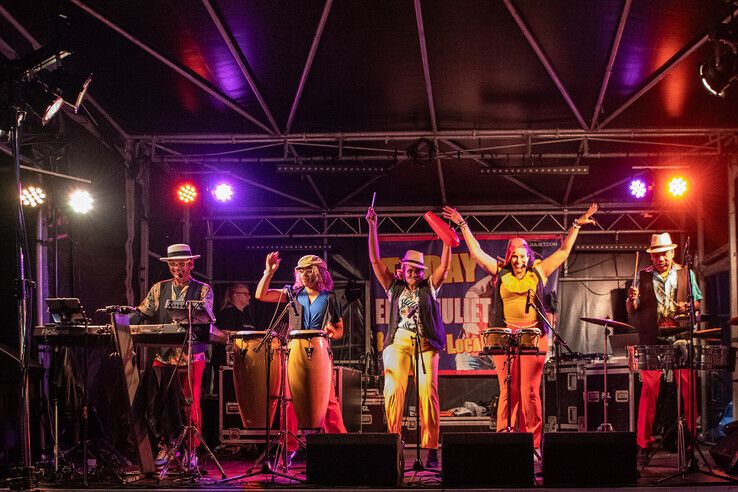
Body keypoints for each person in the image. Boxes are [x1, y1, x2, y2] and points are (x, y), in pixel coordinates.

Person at [443, 203, 597, 451]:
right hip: (506, 338)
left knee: (529, 392)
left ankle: (533, 443)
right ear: (509, 256)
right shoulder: (500, 273)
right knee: (508, 390)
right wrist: (462, 225)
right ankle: (506, 439)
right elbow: (476, 252)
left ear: (529, 255)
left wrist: (577, 225)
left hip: (534, 338)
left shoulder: (539, 272)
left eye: (522, 255)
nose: (518, 260)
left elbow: (564, 251)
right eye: (514, 255)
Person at [366, 207, 452, 469]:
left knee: (428, 393)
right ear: (402, 269)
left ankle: (431, 446)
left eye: (418, 270)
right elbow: (375, 262)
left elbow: (446, 265)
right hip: (399, 342)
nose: (414, 273)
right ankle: (395, 441)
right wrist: (372, 227)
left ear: (424, 271)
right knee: (393, 389)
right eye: (410, 269)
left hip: (426, 345)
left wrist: (448, 241)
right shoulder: (395, 286)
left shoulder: (430, 287)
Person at [130, 243, 214, 470]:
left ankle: (190, 449)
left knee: (189, 401)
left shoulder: (203, 289)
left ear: (191, 264)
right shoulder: (159, 288)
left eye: (182, 264)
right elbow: (142, 313)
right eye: (173, 264)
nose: (178, 268)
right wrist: (121, 322)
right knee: (160, 400)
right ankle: (166, 444)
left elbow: (206, 317)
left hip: (191, 355)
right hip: (164, 354)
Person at [255, 253, 347, 458]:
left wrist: (333, 332)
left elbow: (340, 330)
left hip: (321, 351)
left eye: (309, 271)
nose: (305, 275)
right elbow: (261, 295)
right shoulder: (292, 294)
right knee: (289, 399)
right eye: (301, 271)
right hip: (295, 349)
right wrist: (268, 272)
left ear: (320, 273)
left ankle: (341, 445)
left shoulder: (331, 298)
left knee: (329, 401)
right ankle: (289, 447)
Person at [626, 232, 701, 459]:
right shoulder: (643, 275)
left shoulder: (686, 273)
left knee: (688, 389)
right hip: (653, 337)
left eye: (664, 254)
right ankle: (644, 443)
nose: (660, 259)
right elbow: (632, 310)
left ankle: (691, 441)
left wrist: (687, 307)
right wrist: (632, 299)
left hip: (680, 336)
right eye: (656, 255)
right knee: (649, 391)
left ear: (672, 253)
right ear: (652, 256)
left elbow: (696, 303)